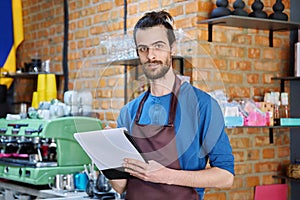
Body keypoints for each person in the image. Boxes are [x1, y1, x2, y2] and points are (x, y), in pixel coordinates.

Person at [109, 10, 234, 200]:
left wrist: (165, 176)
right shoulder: (129, 111)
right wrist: (104, 154)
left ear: (172, 48)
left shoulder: (203, 105)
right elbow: (120, 186)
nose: (151, 56)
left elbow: (226, 177)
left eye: (158, 46)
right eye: (143, 48)